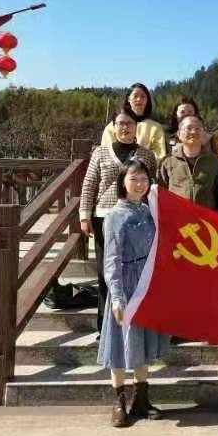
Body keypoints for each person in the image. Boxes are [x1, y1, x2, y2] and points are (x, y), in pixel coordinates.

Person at [98, 159, 170, 427]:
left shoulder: (149, 210)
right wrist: (117, 297)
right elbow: (111, 260)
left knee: (143, 342)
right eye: (133, 179)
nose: (140, 184)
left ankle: (141, 398)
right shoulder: (114, 216)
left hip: (147, 283)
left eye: (143, 179)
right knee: (120, 345)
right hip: (127, 285)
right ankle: (119, 400)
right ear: (122, 182)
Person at [80, 110, 159, 336]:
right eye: (121, 123)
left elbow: (152, 185)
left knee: (135, 271)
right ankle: (105, 326)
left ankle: (133, 322)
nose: (125, 127)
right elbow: (89, 184)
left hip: (137, 218)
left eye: (130, 123)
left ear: (136, 127)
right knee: (107, 271)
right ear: (113, 127)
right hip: (105, 216)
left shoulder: (146, 155)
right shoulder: (100, 152)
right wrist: (84, 216)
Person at [157, 115, 218, 210]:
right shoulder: (168, 162)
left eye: (198, 128)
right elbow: (160, 192)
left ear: (203, 133)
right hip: (177, 216)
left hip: (205, 217)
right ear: (179, 134)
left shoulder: (215, 162)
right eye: (188, 128)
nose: (193, 132)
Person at [101, 83, 167, 160]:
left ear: (147, 100)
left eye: (143, 96)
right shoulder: (113, 126)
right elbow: (107, 154)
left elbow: (159, 157)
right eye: (135, 96)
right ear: (128, 99)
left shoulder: (155, 128)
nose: (139, 99)